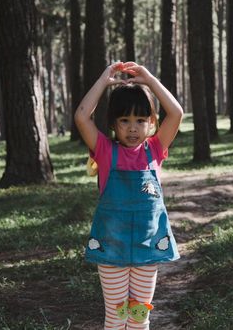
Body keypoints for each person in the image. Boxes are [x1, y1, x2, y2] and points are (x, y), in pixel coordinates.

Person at [74, 61, 183, 330]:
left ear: (151, 123)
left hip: (148, 248)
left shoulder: (155, 149)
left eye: (140, 120)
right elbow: (81, 116)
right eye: (125, 120)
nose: (133, 128)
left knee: (138, 316)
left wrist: (149, 80)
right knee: (116, 316)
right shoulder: (104, 150)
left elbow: (176, 112)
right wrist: (104, 79)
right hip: (112, 249)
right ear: (113, 123)